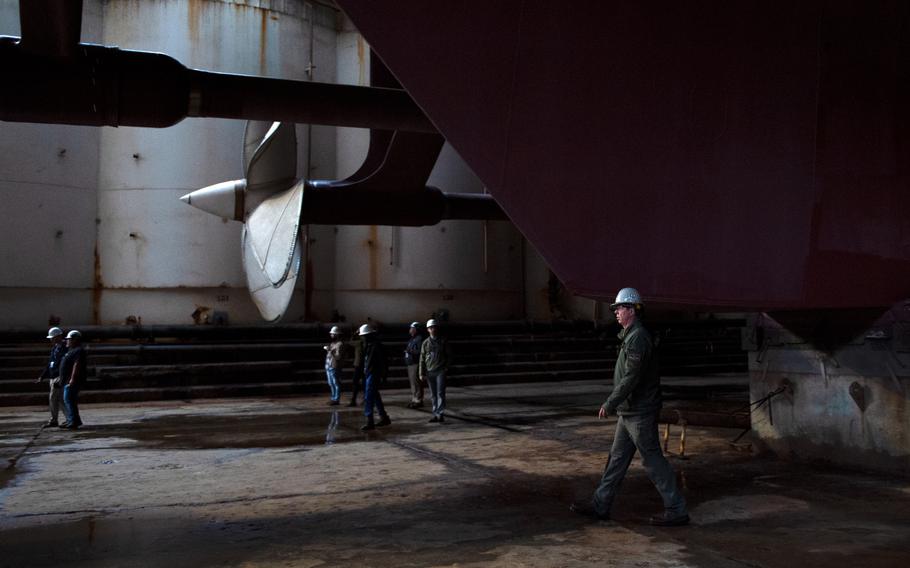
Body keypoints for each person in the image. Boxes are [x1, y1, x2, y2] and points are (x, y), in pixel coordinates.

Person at [571, 288, 689, 526]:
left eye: (621, 308)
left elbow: (631, 378)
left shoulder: (638, 338)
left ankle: (676, 509)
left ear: (633, 311)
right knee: (616, 459)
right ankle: (600, 505)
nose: (616, 313)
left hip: (640, 411)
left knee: (653, 460)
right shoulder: (630, 335)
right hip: (629, 411)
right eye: (615, 309)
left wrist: (610, 402)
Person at [359, 324, 391, 431]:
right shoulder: (367, 346)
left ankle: (370, 421)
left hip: (374, 374)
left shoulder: (376, 346)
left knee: (369, 397)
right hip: (369, 373)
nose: (362, 338)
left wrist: (384, 375)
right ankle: (384, 417)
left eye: (364, 336)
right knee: (375, 396)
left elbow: (383, 362)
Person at [419, 318, 450, 423]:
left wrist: (446, 367)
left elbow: (449, 355)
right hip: (429, 371)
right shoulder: (425, 343)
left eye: (434, 327)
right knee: (433, 394)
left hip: (440, 370)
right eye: (431, 327)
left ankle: (440, 414)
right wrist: (421, 373)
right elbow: (422, 359)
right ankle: (435, 413)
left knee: (440, 392)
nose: (433, 329)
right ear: (428, 329)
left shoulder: (443, 341)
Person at [35, 326, 67, 427]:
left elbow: (64, 364)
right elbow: (50, 364)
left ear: (58, 337)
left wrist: (61, 377)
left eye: (52, 338)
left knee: (58, 398)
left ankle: (64, 419)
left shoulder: (65, 349)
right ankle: (57, 419)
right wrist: (42, 376)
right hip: (53, 377)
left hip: (59, 377)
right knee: (54, 399)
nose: (51, 340)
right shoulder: (54, 349)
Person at [58, 330, 87, 430]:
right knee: (70, 401)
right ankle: (75, 420)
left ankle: (72, 421)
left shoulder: (79, 351)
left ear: (75, 340)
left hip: (72, 381)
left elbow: (76, 365)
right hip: (66, 380)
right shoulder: (71, 350)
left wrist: (72, 379)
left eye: (69, 339)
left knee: (68, 400)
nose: (67, 341)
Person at [404, 321, 425, 408]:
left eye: (412, 328)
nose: (410, 330)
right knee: (413, 383)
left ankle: (418, 400)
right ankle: (414, 399)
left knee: (416, 382)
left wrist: (409, 351)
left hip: (415, 364)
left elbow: (419, 352)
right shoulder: (412, 339)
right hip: (410, 363)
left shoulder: (419, 339)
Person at [323, 325, 345, 406]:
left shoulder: (340, 344)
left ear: (337, 335)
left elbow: (338, 357)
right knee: (330, 383)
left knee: (336, 383)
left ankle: (336, 399)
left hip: (335, 366)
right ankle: (333, 398)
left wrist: (330, 351)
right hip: (329, 365)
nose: (331, 335)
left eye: (333, 334)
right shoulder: (333, 343)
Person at [347, 330, 364, 407]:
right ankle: (365, 399)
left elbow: (350, 342)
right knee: (365, 383)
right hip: (365, 366)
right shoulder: (366, 343)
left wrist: (354, 333)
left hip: (358, 365)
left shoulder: (358, 343)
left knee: (355, 382)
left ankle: (353, 400)